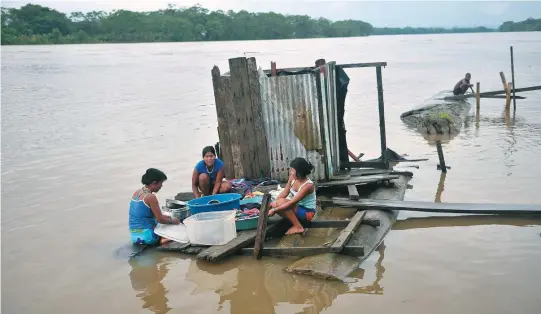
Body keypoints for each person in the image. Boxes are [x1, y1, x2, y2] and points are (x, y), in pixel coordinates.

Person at [129, 168, 180, 246]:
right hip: (147, 237)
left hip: (134, 236)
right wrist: (174, 221)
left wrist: (168, 218)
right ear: (154, 183)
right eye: (161, 183)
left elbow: (153, 216)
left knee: (166, 220)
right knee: (176, 233)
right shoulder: (150, 197)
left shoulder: (137, 192)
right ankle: (161, 241)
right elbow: (160, 219)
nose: (161, 186)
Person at [268, 157, 316, 235]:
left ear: (299, 172)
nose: (290, 172)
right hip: (298, 208)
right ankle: (295, 223)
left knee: (281, 203)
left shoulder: (308, 186)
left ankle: (298, 227)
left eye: (292, 170)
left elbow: (291, 203)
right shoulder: (292, 178)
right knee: (276, 203)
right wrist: (272, 204)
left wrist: (274, 210)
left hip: (307, 213)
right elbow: (285, 193)